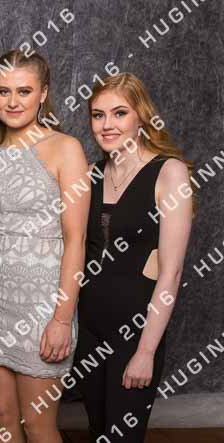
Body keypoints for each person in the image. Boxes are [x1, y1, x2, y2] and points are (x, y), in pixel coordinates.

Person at [0, 50, 89, 443]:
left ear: (43, 94)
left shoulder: (66, 148)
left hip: (43, 305)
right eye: (3, 91)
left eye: (24, 91)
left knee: (38, 425)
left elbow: (76, 240)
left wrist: (62, 319)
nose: (12, 101)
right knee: (3, 418)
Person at [75, 72, 194, 442]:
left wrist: (146, 351)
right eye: (98, 115)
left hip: (135, 331)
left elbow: (171, 273)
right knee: (97, 430)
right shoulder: (90, 175)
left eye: (119, 113)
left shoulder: (169, 173)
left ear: (141, 116)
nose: (107, 125)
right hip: (88, 330)